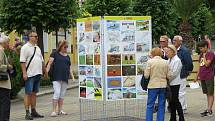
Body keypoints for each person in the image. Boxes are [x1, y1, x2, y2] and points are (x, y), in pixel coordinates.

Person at [20, 30, 48, 120]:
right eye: (34, 36)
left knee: (34, 93)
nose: (36, 38)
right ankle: (27, 113)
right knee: (28, 93)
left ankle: (34, 111)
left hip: (37, 73)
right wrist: (24, 73)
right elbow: (22, 62)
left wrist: (45, 71)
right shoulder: (25, 47)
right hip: (29, 74)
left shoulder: (37, 48)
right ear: (29, 37)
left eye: (37, 36)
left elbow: (42, 61)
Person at [46, 40, 74, 117]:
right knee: (57, 92)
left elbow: (69, 67)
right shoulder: (54, 54)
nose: (66, 48)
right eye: (65, 46)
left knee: (62, 94)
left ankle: (60, 110)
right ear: (60, 46)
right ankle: (54, 111)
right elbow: (49, 63)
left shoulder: (67, 56)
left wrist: (72, 76)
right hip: (56, 77)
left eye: (67, 47)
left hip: (65, 77)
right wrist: (46, 73)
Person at [144, 47, 171, 121]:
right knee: (161, 105)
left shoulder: (150, 62)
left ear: (152, 53)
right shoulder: (166, 62)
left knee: (150, 105)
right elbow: (169, 75)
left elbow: (146, 75)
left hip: (152, 86)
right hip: (163, 86)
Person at [173, 35, 193, 113]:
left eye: (175, 40)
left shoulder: (184, 50)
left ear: (180, 42)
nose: (173, 41)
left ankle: (182, 108)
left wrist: (187, 72)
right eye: (173, 40)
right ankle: (179, 107)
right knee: (177, 92)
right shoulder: (173, 49)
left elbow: (189, 63)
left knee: (181, 92)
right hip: (174, 75)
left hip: (181, 74)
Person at [166, 45, 184, 121]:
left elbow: (174, 73)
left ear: (173, 52)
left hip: (175, 83)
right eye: (166, 52)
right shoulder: (169, 59)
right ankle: (173, 117)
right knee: (171, 101)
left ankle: (181, 117)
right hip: (169, 83)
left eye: (168, 52)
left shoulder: (177, 60)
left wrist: (166, 78)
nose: (166, 53)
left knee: (175, 100)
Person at [196, 41, 214, 117]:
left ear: (206, 46)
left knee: (210, 93)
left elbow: (207, 64)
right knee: (207, 93)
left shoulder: (210, 54)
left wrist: (204, 56)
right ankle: (208, 108)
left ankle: (209, 110)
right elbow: (200, 66)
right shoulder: (201, 55)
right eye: (199, 48)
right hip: (203, 76)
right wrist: (196, 76)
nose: (200, 50)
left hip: (209, 76)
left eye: (202, 48)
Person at [0, 35, 12, 121]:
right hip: (2, 83)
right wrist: (8, 66)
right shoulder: (0, 50)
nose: (8, 44)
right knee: (5, 103)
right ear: (4, 42)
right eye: (8, 42)